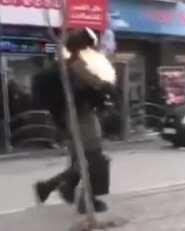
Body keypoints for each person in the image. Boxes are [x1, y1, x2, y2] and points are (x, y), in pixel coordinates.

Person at [32, 28, 116, 214]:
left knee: (81, 161)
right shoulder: (76, 65)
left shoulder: (64, 64)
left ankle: (52, 187)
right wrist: (107, 88)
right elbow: (98, 85)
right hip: (81, 118)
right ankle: (85, 200)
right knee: (95, 161)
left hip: (67, 120)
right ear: (82, 46)